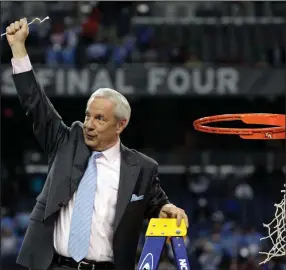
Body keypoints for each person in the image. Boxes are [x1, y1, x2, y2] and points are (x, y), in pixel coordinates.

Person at [6, 18, 189, 270]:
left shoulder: (142, 168)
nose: (89, 124)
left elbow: (157, 204)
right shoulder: (66, 142)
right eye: (87, 116)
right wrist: (18, 48)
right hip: (54, 266)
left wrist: (168, 209)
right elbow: (35, 104)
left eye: (100, 119)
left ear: (120, 125)